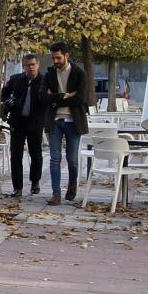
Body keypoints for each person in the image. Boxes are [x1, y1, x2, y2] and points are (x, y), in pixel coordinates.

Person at [44, 41, 91, 206]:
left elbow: (81, 98)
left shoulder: (79, 73)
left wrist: (55, 98)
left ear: (66, 56)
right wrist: (65, 96)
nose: (55, 61)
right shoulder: (49, 74)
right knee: (55, 158)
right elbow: (43, 97)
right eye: (53, 58)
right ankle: (55, 194)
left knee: (72, 158)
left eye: (58, 58)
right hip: (55, 121)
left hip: (73, 121)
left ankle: (72, 185)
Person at [0, 54, 47, 198]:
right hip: (17, 122)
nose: (30, 68)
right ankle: (17, 187)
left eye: (33, 65)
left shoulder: (44, 80)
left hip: (35, 122)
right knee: (16, 155)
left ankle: (35, 182)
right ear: (23, 66)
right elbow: (4, 95)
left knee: (36, 154)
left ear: (38, 65)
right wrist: (8, 103)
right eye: (27, 65)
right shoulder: (16, 79)